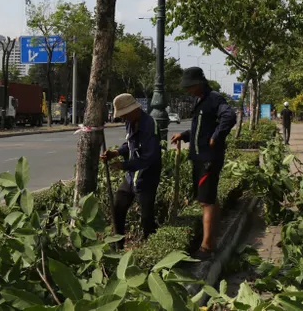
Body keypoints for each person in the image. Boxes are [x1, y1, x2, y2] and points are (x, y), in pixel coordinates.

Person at [170, 67, 236, 260]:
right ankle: (213, 238)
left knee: (205, 202)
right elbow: (200, 131)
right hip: (200, 157)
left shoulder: (214, 98)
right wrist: (183, 135)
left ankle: (206, 247)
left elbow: (229, 117)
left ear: (199, 83)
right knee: (210, 199)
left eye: (189, 87)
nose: (187, 91)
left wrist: (216, 137)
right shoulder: (200, 101)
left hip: (208, 158)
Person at [100, 93, 162, 247]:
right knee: (117, 210)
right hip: (131, 176)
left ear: (134, 110)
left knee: (146, 218)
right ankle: (118, 246)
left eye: (124, 115)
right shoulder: (130, 122)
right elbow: (129, 144)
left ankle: (151, 249)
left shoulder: (149, 124)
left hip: (147, 177)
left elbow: (149, 157)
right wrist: (116, 153)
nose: (123, 118)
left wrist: (124, 165)